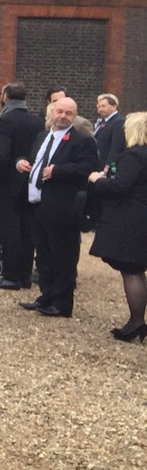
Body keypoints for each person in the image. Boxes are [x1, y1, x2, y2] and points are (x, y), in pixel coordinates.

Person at [15, 94, 98, 318]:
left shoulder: (81, 141)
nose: (62, 116)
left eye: (68, 113)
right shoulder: (42, 136)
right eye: (59, 111)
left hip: (62, 207)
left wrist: (57, 171)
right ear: (52, 112)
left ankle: (62, 303)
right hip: (37, 204)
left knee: (63, 256)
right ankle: (46, 295)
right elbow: (33, 158)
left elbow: (88, 167)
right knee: (43, 254)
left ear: (74, 115)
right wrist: (21, 162)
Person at [87, 112, 147, 340]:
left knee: (130, 270)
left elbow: (120, 186)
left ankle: (136, 321)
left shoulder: (134, 156)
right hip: (141, 216)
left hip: (130, 218)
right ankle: (137, 320)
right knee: (137, 269)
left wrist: (98, 180)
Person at [0, 83, 43, 291]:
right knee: (27, 229)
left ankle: (10, 274)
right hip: (28, 182)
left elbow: (1, 154)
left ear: (6, 96)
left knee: (8, 229)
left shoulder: (5, 120)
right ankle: (25, 274)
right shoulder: (36, 121)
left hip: (8, 182)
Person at [94, 93, 124, 169]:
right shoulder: (103, 122)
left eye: (103, 106)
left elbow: (116, 146)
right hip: (99, 163)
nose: (100, 109)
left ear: (114, 106)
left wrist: (108, 165)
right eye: (99, 107)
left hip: (108, 166)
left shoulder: (118, 122)